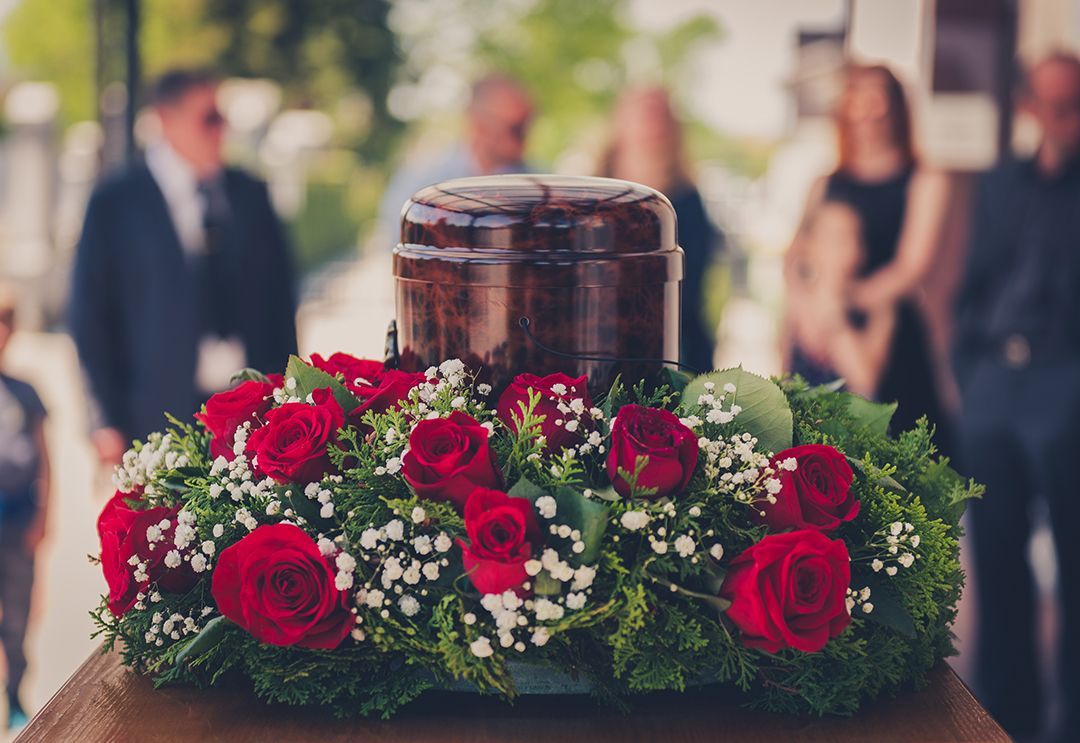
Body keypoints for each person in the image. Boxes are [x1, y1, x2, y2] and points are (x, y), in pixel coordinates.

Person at [71, 68, 298, 463]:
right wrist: (101, 417)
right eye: (209, 118)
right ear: (166, 120)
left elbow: (280, 303)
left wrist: (292, 397)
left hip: (251, 415)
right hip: (156, 416)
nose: (221, 130)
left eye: (223, 117)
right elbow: (89, 313)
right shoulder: (114, 202)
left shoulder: (250, 193)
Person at [953, 52, 1080, 742]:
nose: (1060, 119)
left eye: (1073, 105)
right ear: (1028, 107)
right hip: (997, 382)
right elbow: (973, 283)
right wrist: (970, 374)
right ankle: (1006, 719)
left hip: (1068, 382)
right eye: (1050, 104)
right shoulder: (999, 184)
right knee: (996, 564)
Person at [785, 64, 951, 440]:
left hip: (885, 324)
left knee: (900, 453)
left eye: (876, 100)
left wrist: (839, 308)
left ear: (896, 107)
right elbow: (794, 259)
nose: (866, 113)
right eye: (855, 100)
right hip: (819, 328)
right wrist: (809, 315)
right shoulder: (825, 182)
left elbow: (911, 267)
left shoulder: (924, 177)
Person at [599, 86, 722, 373]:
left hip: (674, 340)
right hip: (600, 335)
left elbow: (689, 286)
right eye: (642, 114)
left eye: (658, 116)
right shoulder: (595, 192)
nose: (650, 124)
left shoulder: (688, 200)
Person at [377, 74, 534, 245]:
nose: (526, 137)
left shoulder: (538, 185)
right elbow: (400, 243)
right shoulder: (420, 185)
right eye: (516, 129)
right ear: (479, 125)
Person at [0, 286, 50, 733]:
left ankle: (14, 694)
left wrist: (44, 516)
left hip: (16, 518)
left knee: (16, 616)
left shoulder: (25, 392)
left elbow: (43, 455)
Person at [782, 203, 896, 398]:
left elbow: (864, 382)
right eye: (834, 238)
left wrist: (832, 304)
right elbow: (785, 379)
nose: (845, 246)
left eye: (853, 237)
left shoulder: (878, 306)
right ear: (810, 246)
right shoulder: (798, 304)